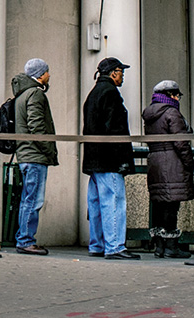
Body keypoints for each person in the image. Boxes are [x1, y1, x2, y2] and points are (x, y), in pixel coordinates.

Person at [82, 57, 139, 260]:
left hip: (94, 159)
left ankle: (97, 244)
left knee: (96, 203)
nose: (122, 76)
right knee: (113, 201)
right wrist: (122, 159)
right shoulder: (111, 93)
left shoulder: (93, 94)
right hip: (109, 159)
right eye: (121, 72)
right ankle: (114, 245)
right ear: (113, 72)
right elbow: (115, 128)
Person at [142, 80, 194, 259]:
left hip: (155, 161)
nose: (178, 98)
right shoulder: (172, 112)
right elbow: (181, 142)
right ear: (171, 95)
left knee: (158, 203)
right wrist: (189, 162)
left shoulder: (150, 113)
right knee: (171, 205)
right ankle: (171, 246)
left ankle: (159, 246)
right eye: (177, 95)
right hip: (172, 162)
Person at [11, 58, 58, 256]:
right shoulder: (35, 94)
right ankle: (25, 240)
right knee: (33, 200)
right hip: (35, 155)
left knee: (27, 199)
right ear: (40, 74)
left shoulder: (22, 94)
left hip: (25, 153)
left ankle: (24, 238)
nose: (49, 75)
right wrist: (48, 149)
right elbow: (37, 125)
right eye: (47, 72)